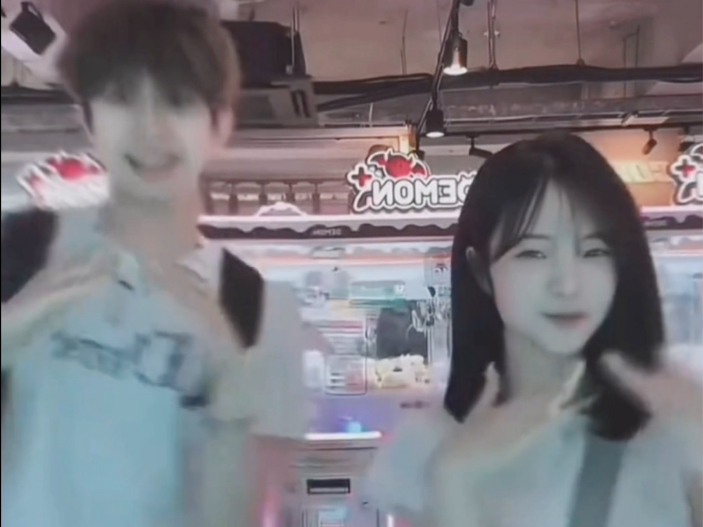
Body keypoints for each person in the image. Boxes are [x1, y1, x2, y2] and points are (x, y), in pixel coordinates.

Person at [1, 2, 309, 527]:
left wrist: (230, 385)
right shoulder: (23, 249)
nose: (151, 130)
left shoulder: (261, 312)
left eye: (178, 101)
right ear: (89, 118)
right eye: (123, 98)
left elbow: (237, 519)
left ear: (219, 125)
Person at [363, 133, 702, 527]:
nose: (567, 284)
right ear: (480, 270)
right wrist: (454, 483)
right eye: (533, 253)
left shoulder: (671, 430)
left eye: (593, 251)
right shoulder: (428, 445)